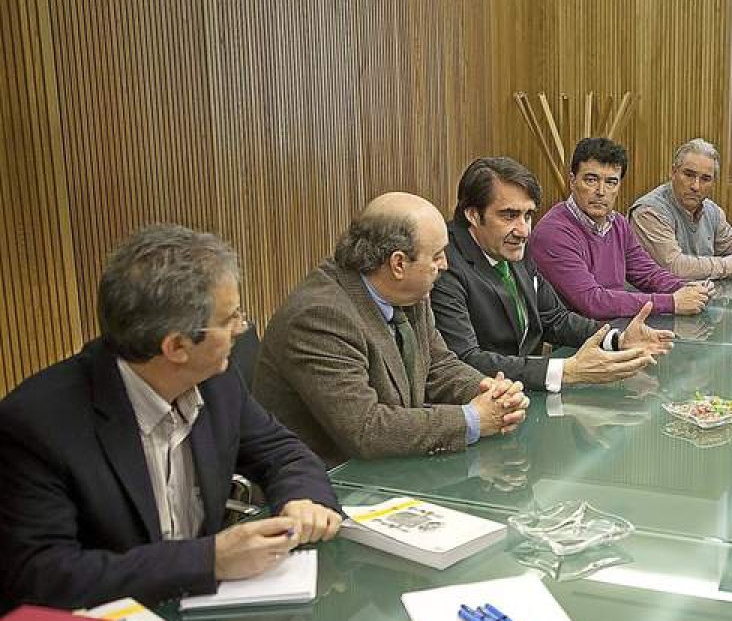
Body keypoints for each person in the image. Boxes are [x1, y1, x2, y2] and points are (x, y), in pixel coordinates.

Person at [0, 225, 342, 611]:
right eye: (229, 318)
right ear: (177, 346)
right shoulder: (37, 424)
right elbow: (42, 575)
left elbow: (281, 450)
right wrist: (209, 560)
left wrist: (302, 497)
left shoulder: (217, 381)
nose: (242, 328)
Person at [254, 193, 529, 466]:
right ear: (398, 264)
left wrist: (489, 392)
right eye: (436, 256)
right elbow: (366, 429)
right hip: (324, 485)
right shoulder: (320, 317)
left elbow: (438, 365)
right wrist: (472, 419)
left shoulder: (409, 292)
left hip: (393, 473)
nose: (445, 265)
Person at [432, 157, 675, 392]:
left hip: (523, 396)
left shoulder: (511, 245)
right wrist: (566, 371)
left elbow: (554, 319)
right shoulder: (443, 265)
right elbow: (465, 361)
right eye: (509, 215)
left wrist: (617, 339)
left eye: (527, 215)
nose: (524, 230)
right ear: (473, 215)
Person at [528, 137, 713, 320]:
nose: (601, 191)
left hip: (619, 331)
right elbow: (593, 302)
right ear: (572, 181)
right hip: (577, 344)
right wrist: (672, 302)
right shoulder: (552, 233)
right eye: (591, 180)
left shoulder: (618, 223)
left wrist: (686, 289)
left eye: (611, 182)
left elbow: (647, 273)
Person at [629, 138, 732, 279]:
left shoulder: (713, 211)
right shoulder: (648, 212)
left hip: (698, 297)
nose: (695, 186)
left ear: (713, 183)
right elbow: (674, 268)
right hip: (651, 299)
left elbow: (731, 244)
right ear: (673, 172)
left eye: (705, 179)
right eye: (689, 175)